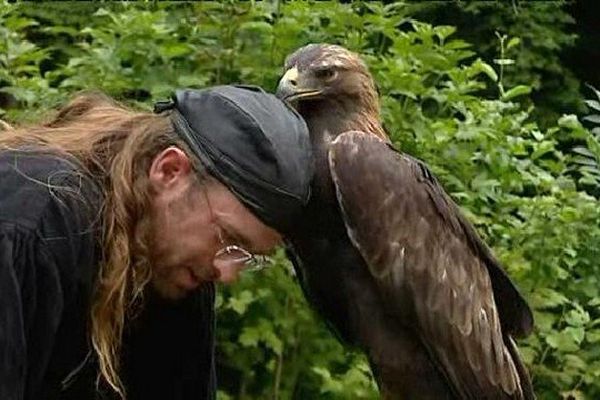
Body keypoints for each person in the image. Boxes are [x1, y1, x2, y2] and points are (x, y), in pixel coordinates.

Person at [0, 85, 313, 400]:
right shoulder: (32, 223)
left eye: (246, 257)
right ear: (169, 171)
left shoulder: (174, 272)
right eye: (227, 238)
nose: (227, 273)